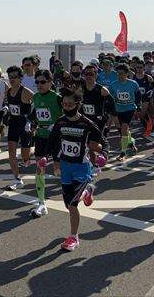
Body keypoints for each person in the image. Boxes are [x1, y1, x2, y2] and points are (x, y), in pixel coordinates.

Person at [45, 88, 102, 251]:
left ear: (78, 104)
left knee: (72, 204)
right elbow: (53, 142)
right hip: (65, 166)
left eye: (70, 105)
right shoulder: (60, 122)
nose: (66, 107)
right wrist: (50, 159)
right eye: (64, 104)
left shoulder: (86, 123)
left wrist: (102, 153)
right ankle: (88, 191)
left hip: (81, 167)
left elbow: (101, 140)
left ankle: (73, 237)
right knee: (68, 204)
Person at [29, 69, 62, 217]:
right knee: (39, 168)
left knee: (58, 170)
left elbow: (69, 114)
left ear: (50, 82)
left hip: (56, 138)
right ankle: (41, 203)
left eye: (43, 82)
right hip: (41, 136)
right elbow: (35, 114)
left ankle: (80, 186)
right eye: (37, 82)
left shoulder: (57, 98)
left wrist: (56, 126)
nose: (39, 85)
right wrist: (31, 123)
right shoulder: (35, 97)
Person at [5, 66, 34, 190]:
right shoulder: (8, 91)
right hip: (13, 123)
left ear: (21, 78)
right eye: (10, 77)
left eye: (15, 77)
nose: (12, 79)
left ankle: (30, 154)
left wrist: (31, 120)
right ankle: (17, 179)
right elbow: (11, 106)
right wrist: (6, 110)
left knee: (24, 155)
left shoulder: (26, 91)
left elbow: (38, 102)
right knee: (11, 151)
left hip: (25, 124)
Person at [80, 64, 115, 154]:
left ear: (96, 75)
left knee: (92, 145)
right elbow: (75, 103)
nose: (88, 76)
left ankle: (105, 148)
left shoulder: (102, 90)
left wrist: (111, 118)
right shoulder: (81, 89)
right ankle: (94, 162)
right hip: (86, 120)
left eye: (91, 74)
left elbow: (112, 104)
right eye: (86, 74)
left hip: (98, 120)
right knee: (87, 145)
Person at [109, 63, 142, 160]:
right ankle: (131, 143)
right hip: (118, 109)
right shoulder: (113, 85)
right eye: (118, 73)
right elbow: (110, 99)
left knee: (124, 128)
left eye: (122, 73)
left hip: (129, 109)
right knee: (123, 130)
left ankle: (123, 153)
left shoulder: (133, 84)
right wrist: (111, 111)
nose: (120, 75)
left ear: (127, 73)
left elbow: (138, 95)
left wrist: (138, 107)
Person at [132, 63, 154, 137]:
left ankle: (150, 129)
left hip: (146, 97)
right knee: (141, 115)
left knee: (144, 113)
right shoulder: (133, 77)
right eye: (138, 67)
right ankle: (150, 128)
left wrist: (150, 95)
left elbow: (153, 87)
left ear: (144, 68)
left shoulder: (148, 77)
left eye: (141, 67)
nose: (139, 69)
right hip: (137, 98)